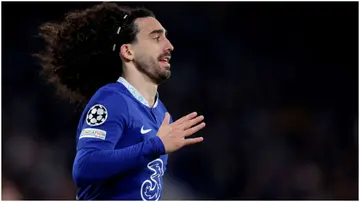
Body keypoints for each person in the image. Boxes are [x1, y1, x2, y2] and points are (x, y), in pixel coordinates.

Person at [34, 2, 206, 200]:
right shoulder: (112, 100)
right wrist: (156, 145)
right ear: (128, 52)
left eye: (166, 38)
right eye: (156, 38)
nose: (169, 46)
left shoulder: (161, 113)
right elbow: (85, 166)